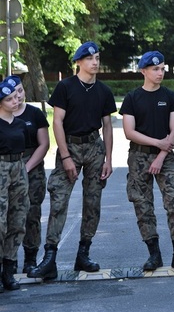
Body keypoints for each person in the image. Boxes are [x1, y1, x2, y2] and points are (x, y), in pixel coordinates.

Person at [28, 41, 116, 280]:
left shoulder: (104, 91)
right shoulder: (65, 87)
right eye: (89, 59)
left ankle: (83, 254)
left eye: (97, 58)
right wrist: (65, 156)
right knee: (59, 200)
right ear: (78, 62)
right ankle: (50, 257)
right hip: (71, 146)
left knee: (93, 202)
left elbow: (107, 126)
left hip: (95, 147)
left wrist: (108, 158)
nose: (95, 62)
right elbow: (57, 122)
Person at [119, 51, 174, 274]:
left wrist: (161, 155)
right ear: (143, 71)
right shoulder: (132, 98)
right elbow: (129, 132)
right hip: (139, 156)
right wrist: (157, 144)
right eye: (155, 69)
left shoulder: (170, 97)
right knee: (143, 206)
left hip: (166, 157)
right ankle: (154, 254)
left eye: (162, 69)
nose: (160, 73)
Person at [6, 75, 50, 274]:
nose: (18, 97)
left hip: (32, 167)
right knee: (8, 216)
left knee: (31, 214)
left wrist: (27, 167)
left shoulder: (34, 114)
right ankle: (9, 261)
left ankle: (31, 258)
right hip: (7, 167)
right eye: (13, 94)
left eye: (21, 91)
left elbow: (44, 144)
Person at [0, 82, 29, 292]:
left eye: (16, 97)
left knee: (17, 220)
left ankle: (8, 272)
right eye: (9, 99)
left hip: (19, 168)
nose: (15, 101)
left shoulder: (19, 124)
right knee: (0, 223)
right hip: (0, 168)